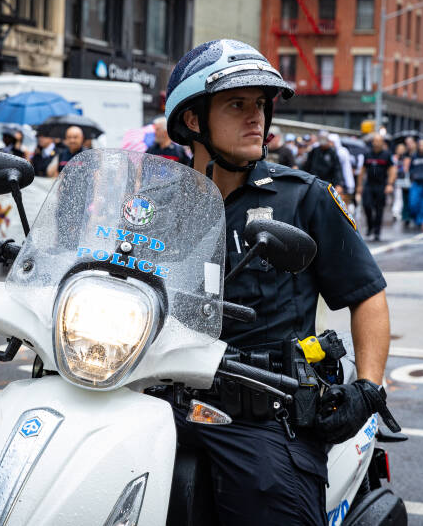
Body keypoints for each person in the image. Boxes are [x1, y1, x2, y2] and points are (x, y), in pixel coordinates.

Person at [162, 39, 394, 525]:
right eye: (237, 104)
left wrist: (369, 388)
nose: (257, 118)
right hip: (161, 397)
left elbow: (367, 294)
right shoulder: (159, 203)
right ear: (193, 119)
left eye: (261, 105)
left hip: (264, 416)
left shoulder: (302, 198)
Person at [357, 134, 396, 241]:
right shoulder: (367, 154)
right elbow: (362, 170)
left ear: (382, 142)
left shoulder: (387, 154)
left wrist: (390, 184)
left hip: (381, 185)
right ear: (372, 142)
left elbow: (392, 170)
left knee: (379, 209)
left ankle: (377, 232)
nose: (377, 143)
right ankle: (370, 226)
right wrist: (359, 185)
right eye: (375, 141)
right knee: (366, 205)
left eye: (379, 141)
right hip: (369, 184)